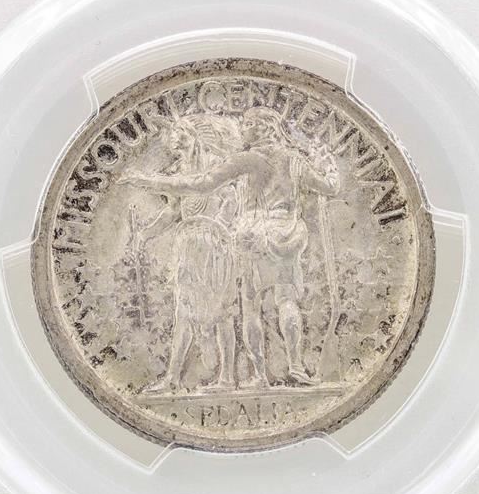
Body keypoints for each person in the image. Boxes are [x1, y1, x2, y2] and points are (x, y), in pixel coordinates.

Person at [123, 106, 339, 387]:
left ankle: (260, 375)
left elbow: (204, 183)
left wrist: (149, 181)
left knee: (251, 306)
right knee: (287, 299)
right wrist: (330, 166)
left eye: (248, 124)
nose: (242, 128)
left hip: (253, 234)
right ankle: (296, 365)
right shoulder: (295, 160)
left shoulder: (248, 159)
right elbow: (330, 187)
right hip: (288, 231)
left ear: (264, 128)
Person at [133, 116, 240, 392]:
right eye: (173, 140)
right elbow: (172, 211)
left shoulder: (216, 165)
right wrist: (146, 233)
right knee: (184, 310)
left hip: (216, 244)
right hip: (188, 244)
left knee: (222, 312)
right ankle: (172, 378)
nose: (175, 143)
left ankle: (227, 378)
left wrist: (219, 226)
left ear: (193, 135)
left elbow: (230, 198)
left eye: (179, 135)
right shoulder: (178, 172)